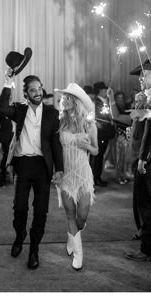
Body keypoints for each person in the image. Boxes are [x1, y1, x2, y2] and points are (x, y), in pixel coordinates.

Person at [0, 68, 64, 270]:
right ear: (26, 93)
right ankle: (20, 236)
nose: (38, 92)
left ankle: (34, 248)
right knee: (20, 207)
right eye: (33, 90)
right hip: (24, 164)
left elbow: (56, 143)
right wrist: (8, 82)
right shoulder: (19, 109)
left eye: (39, 88)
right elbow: (2, 108)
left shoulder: (52, 113)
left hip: (43, 166)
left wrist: (59, 169)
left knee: (41, 210)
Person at [54, 83, 98, 270]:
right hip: (66, 174)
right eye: (63, 97)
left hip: (83, 174)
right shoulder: (59, 121)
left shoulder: (88, 123)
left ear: (75, 101)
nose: (63, 100)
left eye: (67, 97)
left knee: (82, 215)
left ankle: (73, 236)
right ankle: (78, 254)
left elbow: (95, 151)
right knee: (70, 213)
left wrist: (86, 145)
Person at [125, 59, 151, 261]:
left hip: (148, 158)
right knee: (141, 199)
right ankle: (144, 232)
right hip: (141, 156)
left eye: (145, 74)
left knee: (148, 202)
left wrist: (144, 157)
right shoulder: (143, 97)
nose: (142, 78)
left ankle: (147, 248)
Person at [90, 81, 115, 186]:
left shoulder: (106, 101)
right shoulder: (94, 102)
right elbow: (92, 116)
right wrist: (96, 123)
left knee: (101, 156)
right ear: (99, 91)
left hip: (106, 132)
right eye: (104, 89)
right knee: (97, 157)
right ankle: (95, 178)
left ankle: (97, 176)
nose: (106, 91)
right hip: (99, 133)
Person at [107, 90, 131, 184]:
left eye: (122, 98)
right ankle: (118, 177)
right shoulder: (114, 109)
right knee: (119, 158)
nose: (120, 100)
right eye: (118, 98)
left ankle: (124, 175)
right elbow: (114, 117)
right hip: (119, 137)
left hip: (128, 136)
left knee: (126, 158)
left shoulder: (127, 108)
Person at [0, 97, 14, 187]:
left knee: (8, 156)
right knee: (1, 156)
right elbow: (1, 114)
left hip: (11, 135)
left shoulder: (11, 109)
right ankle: (0, 179)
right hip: (3, 135)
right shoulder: (0, 108)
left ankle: (7, 178)